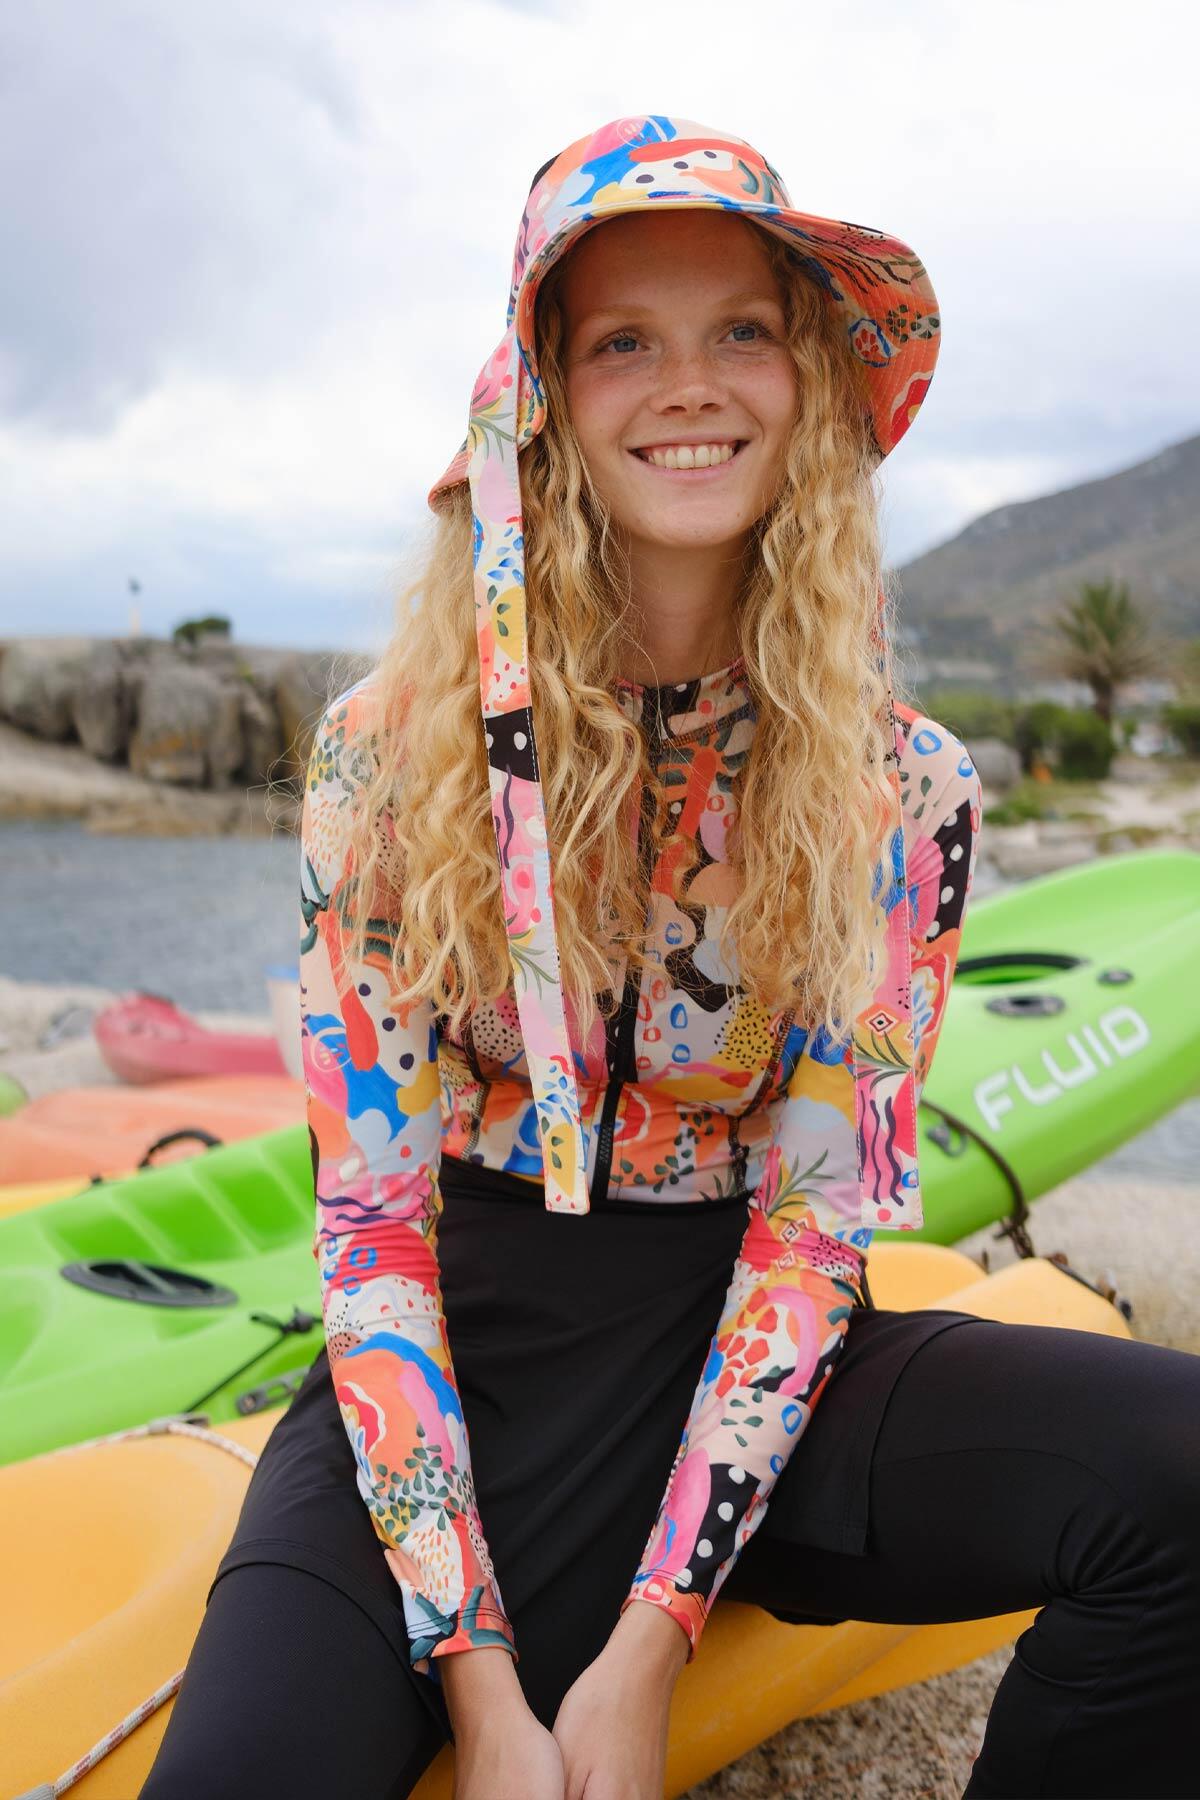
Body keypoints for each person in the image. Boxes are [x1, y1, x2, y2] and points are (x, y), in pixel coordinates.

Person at [141, 115, 1200, 1800]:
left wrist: (651, 1644)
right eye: (623, 340)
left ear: (808, 382)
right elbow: (372, 1228)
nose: (690, 385)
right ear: (545, 399)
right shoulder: (386, 755)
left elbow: (816, 1220)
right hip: (455, 1358)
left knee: (1178, 1475)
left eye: (742, 331)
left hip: (763, 1360)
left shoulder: (904, 786)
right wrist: (481, 1684)